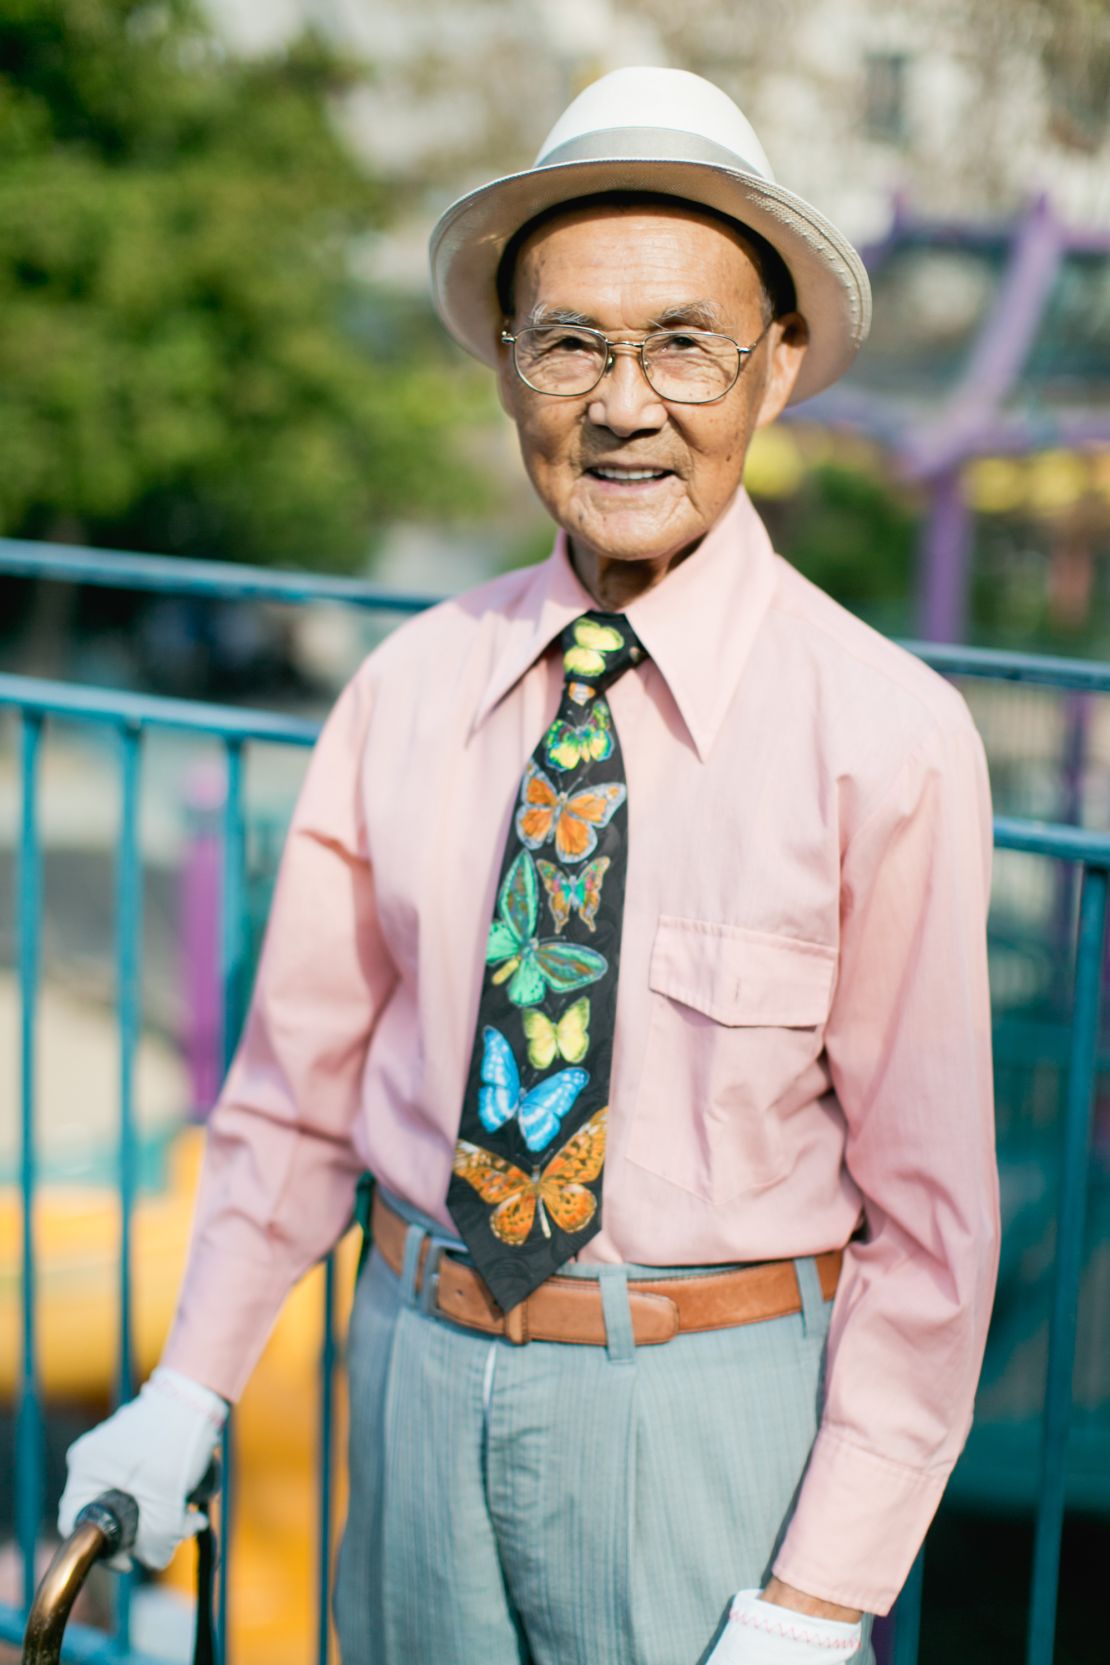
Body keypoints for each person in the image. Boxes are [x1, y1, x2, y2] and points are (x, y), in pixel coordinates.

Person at [59, 66, 1001, 1665]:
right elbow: (293, 1094)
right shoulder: (408, 685)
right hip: (412, 1367)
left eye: (683, 344)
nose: (622, 404)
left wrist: (818, 1594)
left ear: (774, 370)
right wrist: (185, 1384)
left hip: (708, 1430)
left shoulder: (887, 737)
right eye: (567, 341)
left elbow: (929, 1228)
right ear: (508, 371)